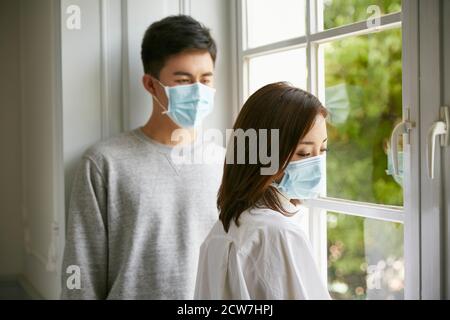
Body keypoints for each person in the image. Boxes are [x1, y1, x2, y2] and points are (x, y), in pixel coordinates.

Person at [61, 15, 224, 299]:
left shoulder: (227, 164)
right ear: (150, 85)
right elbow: (82, 273)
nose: (198, 92)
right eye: (184, 80)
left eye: (205, 80)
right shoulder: (104, 163)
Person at [194, 82, 332, 299]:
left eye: (323, 149)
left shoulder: (222, 229)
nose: (316, 163)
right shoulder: (278, 233)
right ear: (263, 154)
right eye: (303, 153)